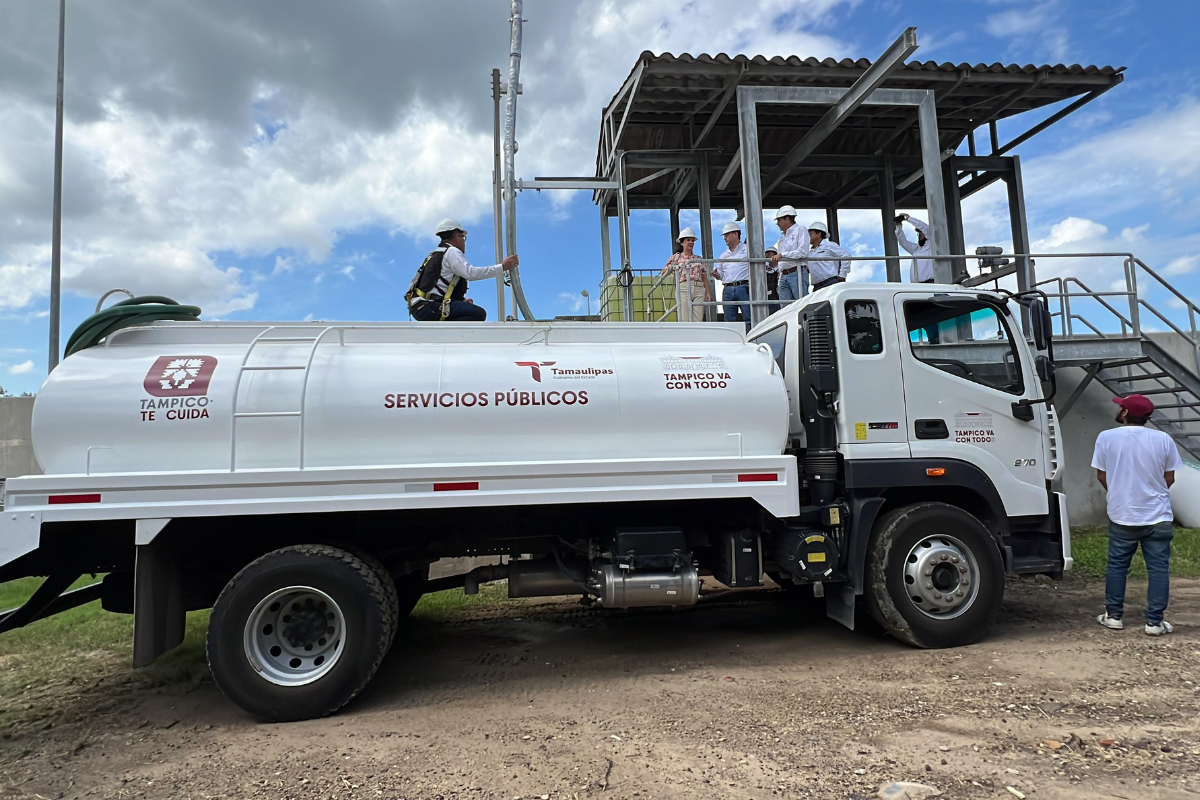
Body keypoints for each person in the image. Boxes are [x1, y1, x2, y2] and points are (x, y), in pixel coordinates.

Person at [1092, 394, 1183, 636]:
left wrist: (1121, 493)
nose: (1119, 407)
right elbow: (1170, 477)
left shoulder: (1106, 437)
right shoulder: (1163, 439)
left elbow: (1102, 475)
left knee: (1118, 566)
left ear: (1124, 413)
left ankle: (1113, 617)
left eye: (1121, 406)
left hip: (1123, 514)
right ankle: (1154, 623)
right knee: (1158, 569)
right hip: (1158, 515)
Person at [407, 218, 518, 321]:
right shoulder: (452, 251)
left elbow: (439, 287)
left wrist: (463, 302)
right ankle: (446, 338)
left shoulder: (437, 253)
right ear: (456, 236)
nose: (464, 241)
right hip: (428, 307)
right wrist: (503, 267)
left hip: (420, 307)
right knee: (478, 314)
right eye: (463, 237)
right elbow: (470, 273)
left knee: (469, 310)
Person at [661, 227, 711, 322]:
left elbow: (704, 275)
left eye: (692, 240)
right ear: (682, 242)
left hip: (699, 288)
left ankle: (696, 336)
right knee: (685, 318)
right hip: (683, 288)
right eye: (688, 240)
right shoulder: (675, 258)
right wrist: (672, 268)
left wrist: (708, 292)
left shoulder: (698, 259)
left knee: (698, 318)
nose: (691, 242)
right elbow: (664, 271)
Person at [768, 205, 808, 304]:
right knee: (784, 309)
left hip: (797, 272)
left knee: (801, 304)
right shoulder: (783, 237)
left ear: (786, 219)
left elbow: (803, 251)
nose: (778, 223)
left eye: (779, 220)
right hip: (784, 275)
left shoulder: (801, 230)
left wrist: (782, 255)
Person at [714, 222, 750, 329]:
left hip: (744, 287)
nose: (725, 238)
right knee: (729, 319)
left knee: (748, 317)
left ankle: (752, 341)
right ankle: (733, 342)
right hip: (728, 289)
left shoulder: (748, 249)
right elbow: (720, 274)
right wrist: (717, 275)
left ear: (736, 234)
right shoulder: (723, 255)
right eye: (724, 236)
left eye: (727, 235)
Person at [807, 221, 851, 290]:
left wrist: (842, 274)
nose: (808, 237)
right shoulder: (810, 253)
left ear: (819, 234)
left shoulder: (829, 245)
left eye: (811, 234)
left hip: (830, 283)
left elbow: (846, 256)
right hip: (816, 287)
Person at [896, 213, 934, 284]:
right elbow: (903, 242)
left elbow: (926, 228)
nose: (919, 235)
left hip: (930, 283)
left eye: (921, 233)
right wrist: (899, 226)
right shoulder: (916, 249)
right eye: (918, 233)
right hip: (917, 286)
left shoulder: (931, 246)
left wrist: (908, 219)